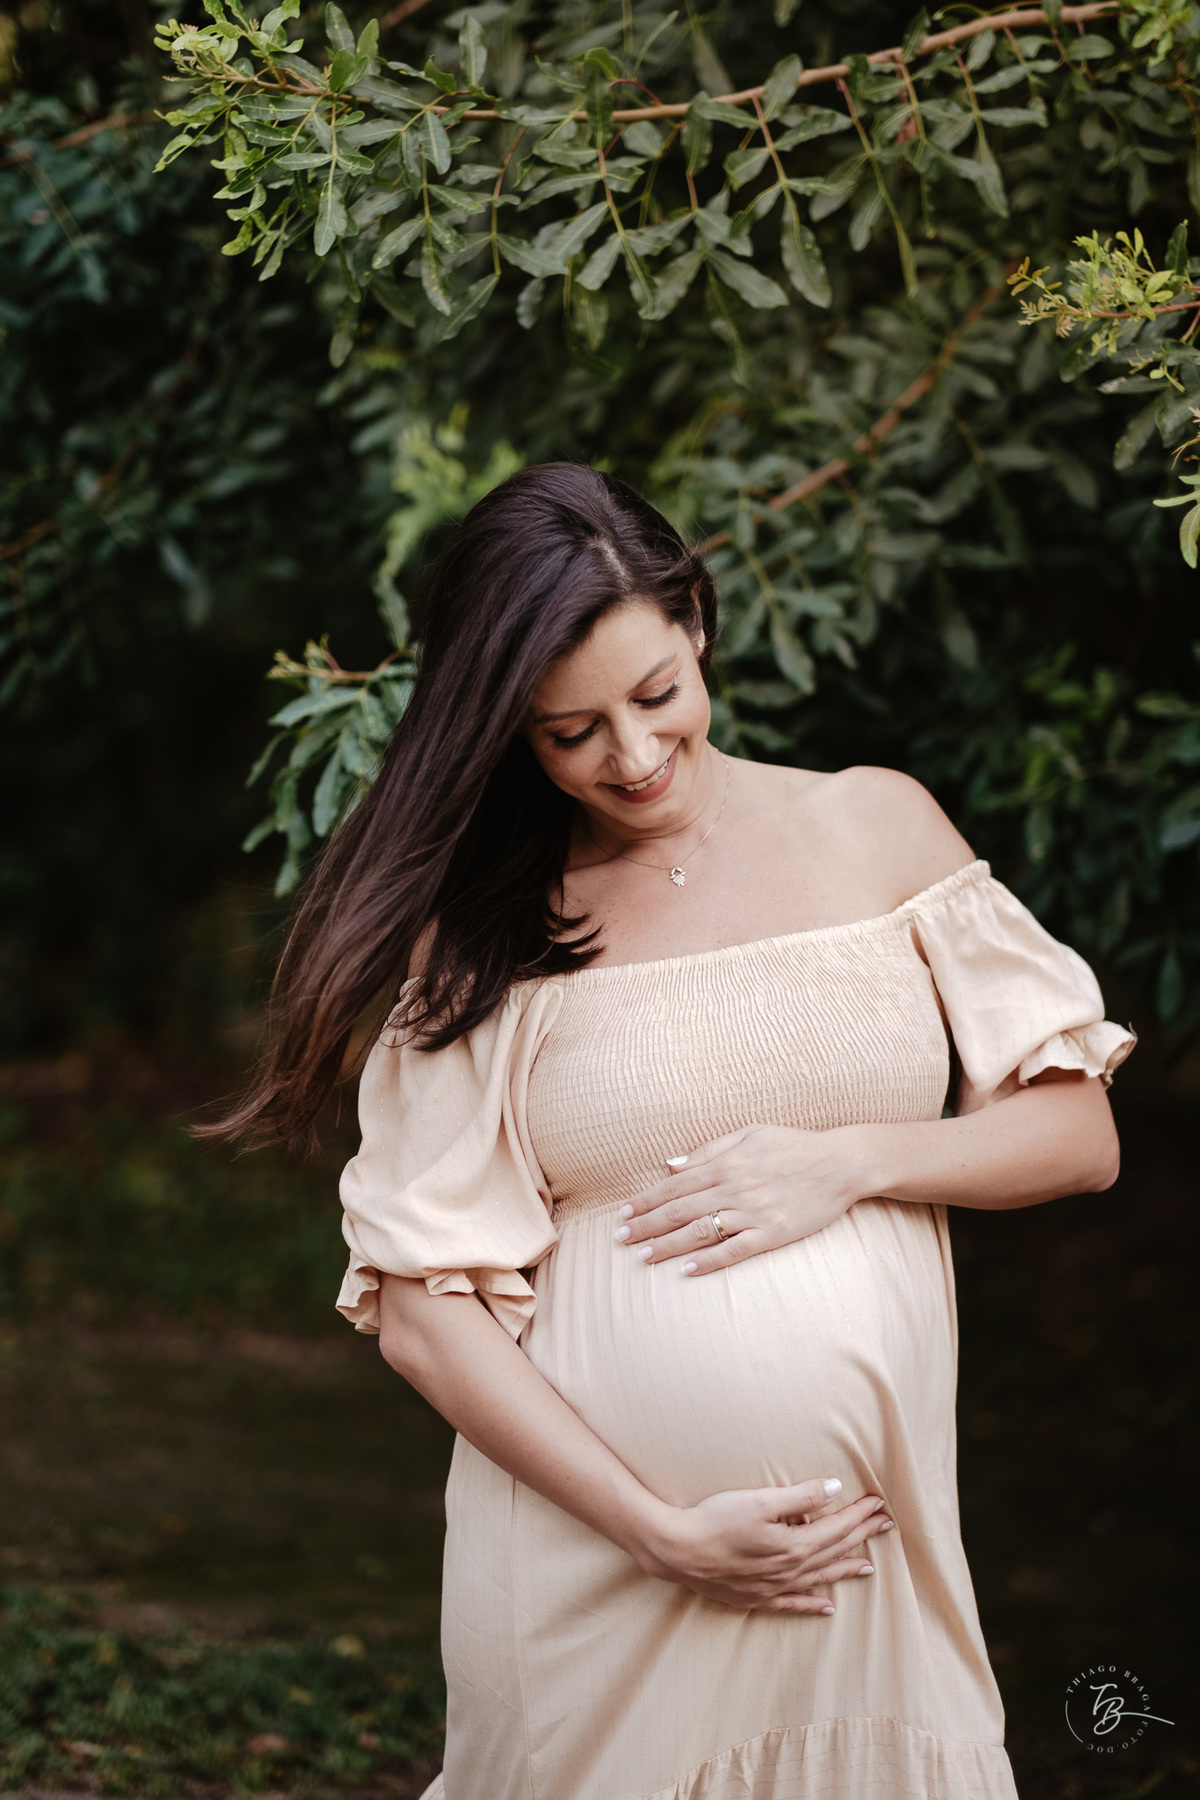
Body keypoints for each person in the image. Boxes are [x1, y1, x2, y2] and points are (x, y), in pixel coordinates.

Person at [211, 464, 1135, 1800]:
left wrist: (848, 1159)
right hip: (599, 1569)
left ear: (695, 624)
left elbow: (1077, 1136)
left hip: (863, 1569)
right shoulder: (489, 932)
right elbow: (422, 1313)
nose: (633, 759)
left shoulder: (875, 824)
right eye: (569, 732)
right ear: (508, 731)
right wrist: (657, 1531)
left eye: (656, 698)